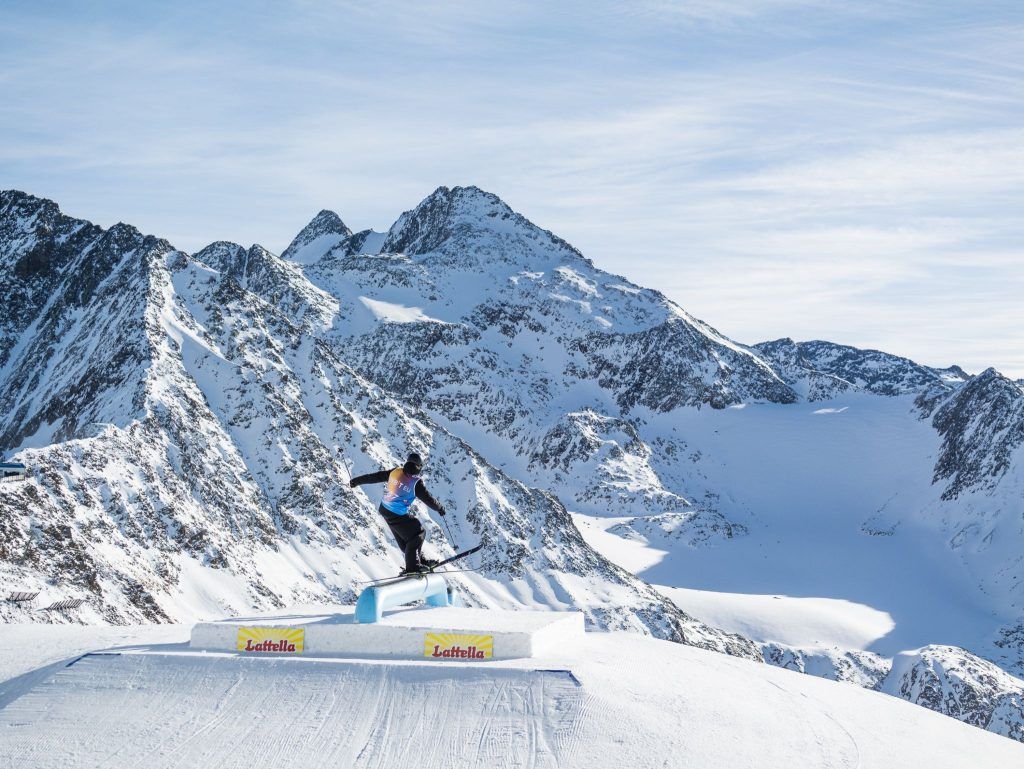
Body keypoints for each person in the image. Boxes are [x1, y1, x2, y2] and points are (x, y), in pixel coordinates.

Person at [349, 452, 447, 574]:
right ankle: (413, 567)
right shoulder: (416, 483)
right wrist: (439, 508)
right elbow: (428, 499)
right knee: (418, 533)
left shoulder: (395, 472)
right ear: (418, 467)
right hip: (396, 513)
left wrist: (356, 481)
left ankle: (419, 561)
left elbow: (375, 477)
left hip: (385, 509)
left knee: (406, 540)